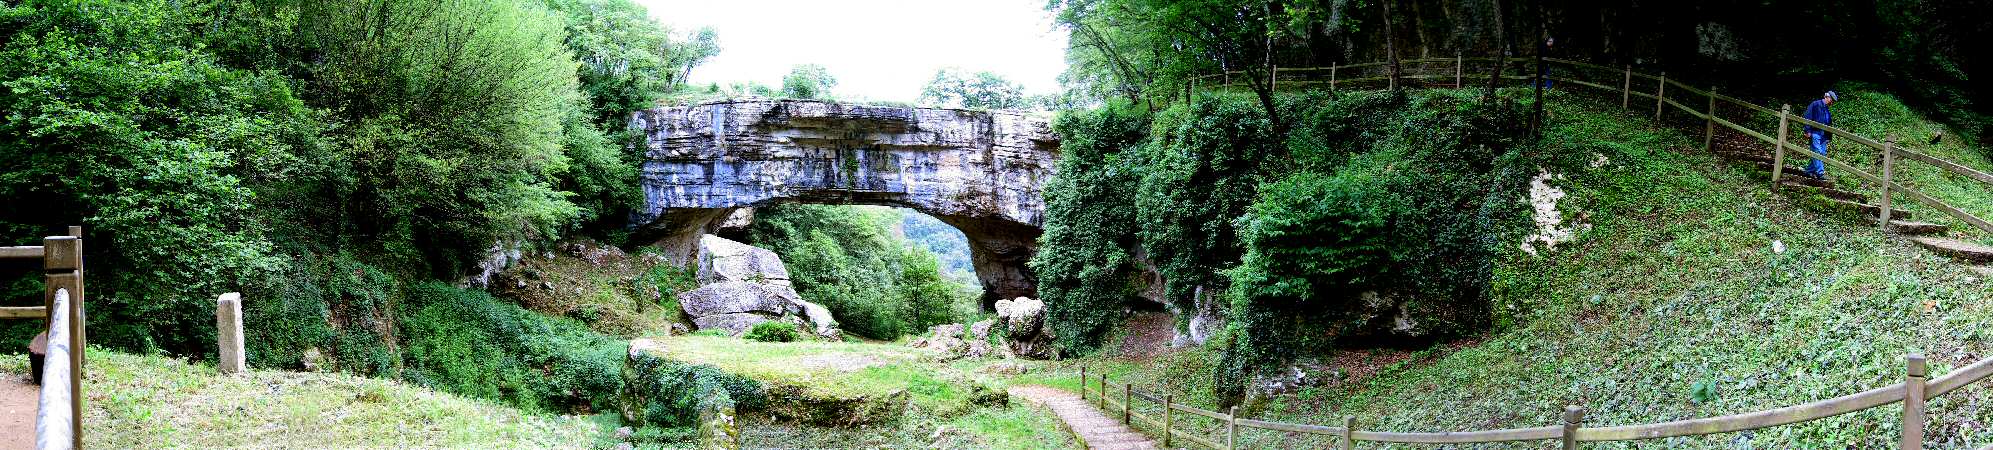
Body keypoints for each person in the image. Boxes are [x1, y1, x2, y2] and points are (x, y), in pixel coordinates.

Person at [1801, 91, 1837, 180]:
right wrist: (1807, 130)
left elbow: (1828, 124)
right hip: (1815, 133)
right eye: (1831, 100)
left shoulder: (1827, 110)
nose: (1832, 103)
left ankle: (1808, 171)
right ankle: (1820, 173)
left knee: (1822, 153)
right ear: (1827, 97)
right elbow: (1807, 116)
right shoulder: (1815, 104)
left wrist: (1828, 137)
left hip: (1823, 136)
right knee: (1817, 151)